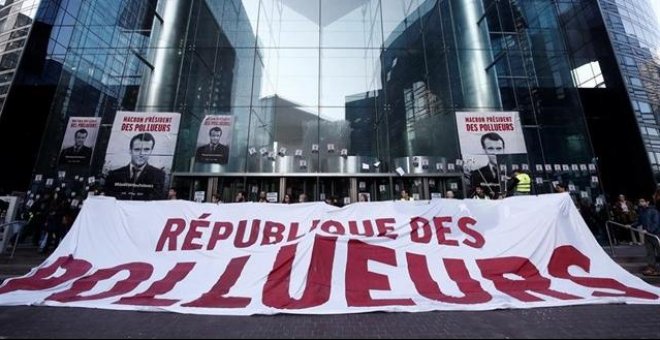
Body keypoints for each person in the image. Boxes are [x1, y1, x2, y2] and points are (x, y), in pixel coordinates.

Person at [105, 133, 166, 201]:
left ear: (151, 151)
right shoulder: (114, 175)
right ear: (130, 151)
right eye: (137, 149)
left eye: (146, 150)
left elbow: (155, 199)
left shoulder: (158, 175)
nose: (141, 154)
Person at [470, 132, 505, 198]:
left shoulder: (511, 173)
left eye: (499, 149)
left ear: (504, 150)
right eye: (490, 149)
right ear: (484, 150)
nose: (495, 153)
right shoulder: (477, 174)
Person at [634, 198, 660, 276]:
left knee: (659, 250)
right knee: (650, 252)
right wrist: (631, 225)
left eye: (642, 201)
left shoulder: (654, 211)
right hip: (647, 235)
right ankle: (651, 267)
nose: (640, 203)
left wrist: (649, 230)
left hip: (656, 234)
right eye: (640, 201)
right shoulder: (642, 212)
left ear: (647, 202)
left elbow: (656, 223)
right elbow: (639, 222)